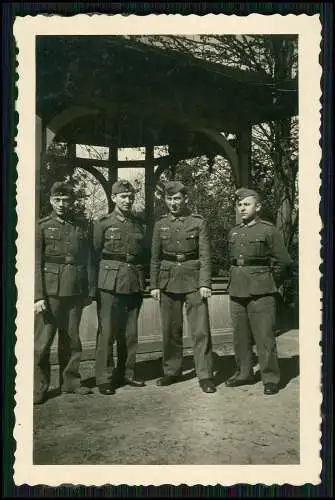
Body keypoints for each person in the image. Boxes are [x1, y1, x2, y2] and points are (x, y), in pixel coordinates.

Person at [150, 181, 216, 394]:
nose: (173, 203)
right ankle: (172, 371)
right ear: (165, 200)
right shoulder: (160, 224)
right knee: (170, 329)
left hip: (194, 280)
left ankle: (205, 375)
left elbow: (205, 255)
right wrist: (154, 285)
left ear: (185, 199)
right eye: (169, 199)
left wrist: (205, 282)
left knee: (200, 331)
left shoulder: (198, 222)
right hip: (167, 279)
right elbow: (155, 258)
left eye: (177, 198)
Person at [225, 187, 292, 395]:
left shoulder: (268, 230)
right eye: (239, 205)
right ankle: (244, 373)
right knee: (240, 336)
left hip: (262, 291)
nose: (242, 208)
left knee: (264, 336)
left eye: (247, 204)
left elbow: (285, 262)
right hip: (237, 289)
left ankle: (270, 377)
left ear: (258, 207)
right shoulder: (234, 231)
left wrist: (270, 281)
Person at [34, 181, 93, 405]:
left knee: (71, 338)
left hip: (75, 290)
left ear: (71, 202)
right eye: (57, 200)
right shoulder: (42, 226)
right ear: (50, 200)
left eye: (65, 200)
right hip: (50, 292)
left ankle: (70, 382)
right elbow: (35, 263)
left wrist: (87, 290)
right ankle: (38, 387)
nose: (61, 204)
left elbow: (86, 260)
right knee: (42, 342)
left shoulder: (79, 226)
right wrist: (38, 296)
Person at [91, 180, 147, 395]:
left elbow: (143, 253)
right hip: (109, 283)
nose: (127, 200)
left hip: (133, 281)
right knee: (107, 332)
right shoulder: (103, 223)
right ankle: (104, 377)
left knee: (130, 333)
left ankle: (128, 373)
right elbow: (95, 254)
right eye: (123, 196)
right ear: (113, 198)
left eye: (130, 197)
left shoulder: (139, 224)